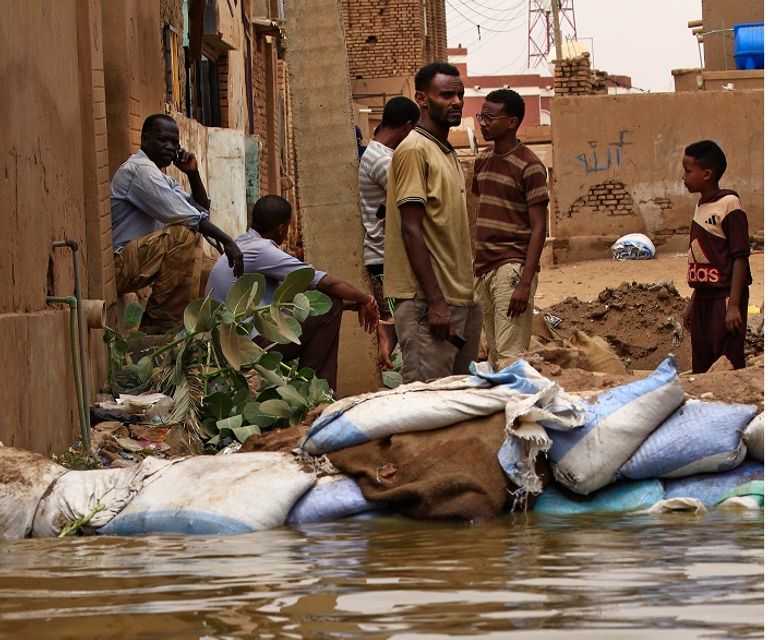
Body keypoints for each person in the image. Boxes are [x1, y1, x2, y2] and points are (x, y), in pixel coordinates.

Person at [205, 195, 378, 391]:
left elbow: (286, 299)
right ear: (281, 228)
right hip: (246, 347)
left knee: (333, 305)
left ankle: (316, 391)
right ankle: (316, 393)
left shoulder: (243, 243)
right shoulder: (262, 251)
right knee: (331, 304)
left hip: (226, 344)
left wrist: (350, 305)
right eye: (288, 227)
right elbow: (323, 282)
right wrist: (366, 300)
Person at [383, 62, 481, 384]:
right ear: (422, 99)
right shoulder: (414, 150)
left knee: (459, 402)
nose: (456, 102)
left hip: (459, 298)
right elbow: (410, 229)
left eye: (460, 95)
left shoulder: (446, 152)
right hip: (430, 303)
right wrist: (436, 302)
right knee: (428, 405)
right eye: (446, 95)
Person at [110, 113, 243, 333]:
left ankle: (196, 328)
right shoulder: (140, 171)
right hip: (120, 266)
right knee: (183, 235)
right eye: (163, 140)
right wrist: (228, 241)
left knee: (207, 267)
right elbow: (191, 218)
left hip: (139, 265)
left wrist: (193, 174)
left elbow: (200, 211)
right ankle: (159, 322)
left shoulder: (160, 176)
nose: (170, 148)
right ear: (145, 139)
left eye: (174, 143)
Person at [472, 89, 549, 367]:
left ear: (512, 122)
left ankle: (519, 408)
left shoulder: (530, 166)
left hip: (511, 269)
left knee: (510, 357)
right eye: (481, 115)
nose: (482, 122)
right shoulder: (482, 160)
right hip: (484, 269)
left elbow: (539, 227)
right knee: (494, 355)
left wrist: (525, 284)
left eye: (490, 117)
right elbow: (481, 209)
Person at [358, 96, 420, 368]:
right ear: (408, 127)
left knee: (398, 323)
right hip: (385, 257)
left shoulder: (380, 155)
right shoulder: (382, 161)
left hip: (386, 256)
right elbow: (407, 206)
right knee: (402, 324)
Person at [681, 140, 751, 373]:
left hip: (723, 299)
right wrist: (693, 303)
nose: (683, 176)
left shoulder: (730, 204)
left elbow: (740, 257)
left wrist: (733, 306)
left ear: (707, 174)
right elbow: (704, 259)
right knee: (702, 366)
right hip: (703, 299)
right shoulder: (700, 206)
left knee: (726, 364)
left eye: (688, 171)